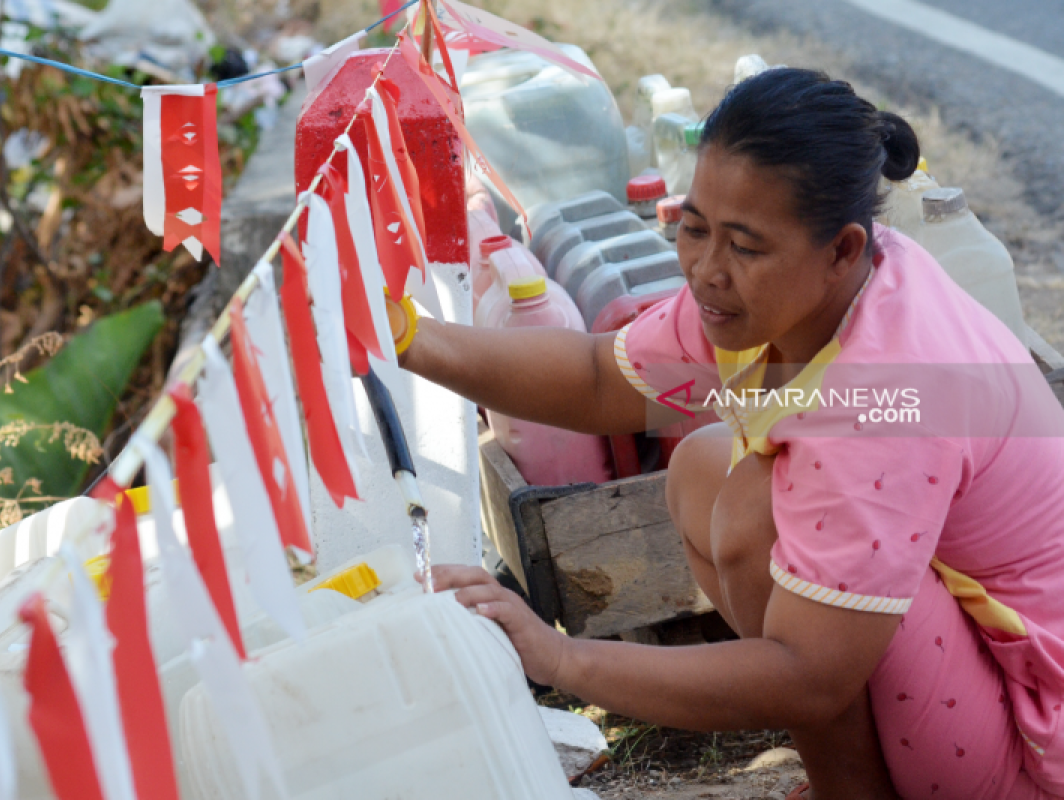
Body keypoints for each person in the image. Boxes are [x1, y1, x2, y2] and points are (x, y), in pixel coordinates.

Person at [386, 69, 1064, 799]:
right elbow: (596, 379)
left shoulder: (884, 394)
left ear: (840, 248)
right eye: (695, 227)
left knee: (753, 513)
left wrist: (558, 657)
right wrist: (406, 336)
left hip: (1032, 731)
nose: (706, 271)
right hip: (977, 655)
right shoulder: (817, 291)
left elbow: (805, 675)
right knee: (707, 464)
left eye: (744, 245)